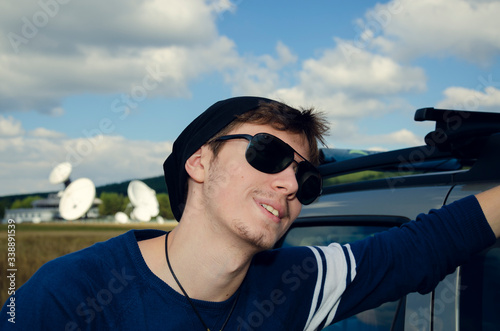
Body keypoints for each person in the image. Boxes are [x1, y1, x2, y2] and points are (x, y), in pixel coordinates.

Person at [2, 96, 499, 330]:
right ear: (199, 161)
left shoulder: (297, 286)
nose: (290, 184)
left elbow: (423, 247)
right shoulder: (69, 295)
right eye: (267, 153)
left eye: (308, 179)